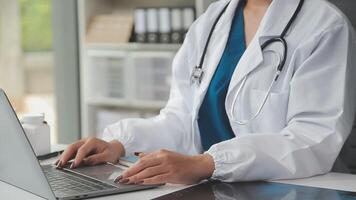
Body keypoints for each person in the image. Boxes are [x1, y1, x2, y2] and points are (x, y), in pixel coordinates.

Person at [57, 0, 356, 185]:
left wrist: (208, 163)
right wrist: (119, 144)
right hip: (213, 186)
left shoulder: (324, 25)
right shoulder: (212, 20)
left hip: (290, 188)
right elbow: (181, 118)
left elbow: (313, 139)